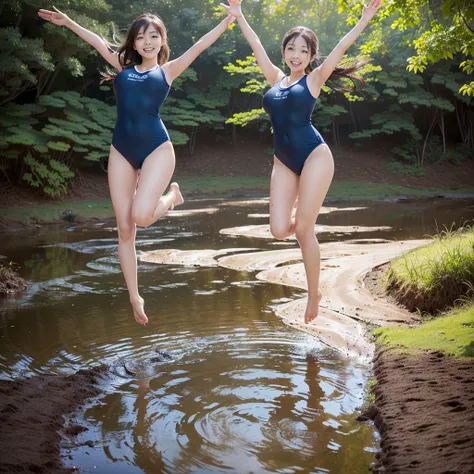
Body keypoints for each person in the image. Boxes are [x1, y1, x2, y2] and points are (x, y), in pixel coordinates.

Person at [38, 6, 235, 325]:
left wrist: (229, 19)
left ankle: (172, 198)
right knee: (125, 228)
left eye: (153, 36)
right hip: (122, 150)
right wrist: (69, 21)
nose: (147, 41)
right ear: (133, 41)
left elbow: (200, 46)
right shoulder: (122, 65)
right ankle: (134, 296)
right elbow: (96, 41)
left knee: (142, 216)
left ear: (162, 41)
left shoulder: (167, 71)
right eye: (141, 36)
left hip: (157, 148)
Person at [220, 0, 381, 324]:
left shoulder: (314, 79)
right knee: (280, 229)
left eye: (303, 51)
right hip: (283, 162)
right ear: (284, 51)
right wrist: (240, 17)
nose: (296, 55)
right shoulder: (276, 78)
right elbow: (255, 47)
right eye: (291, 48)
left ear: (311, 57)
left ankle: (313, 294)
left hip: (315, 157)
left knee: (303, 229)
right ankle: (301, 213)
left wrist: (364, 19)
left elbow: (342, 46)